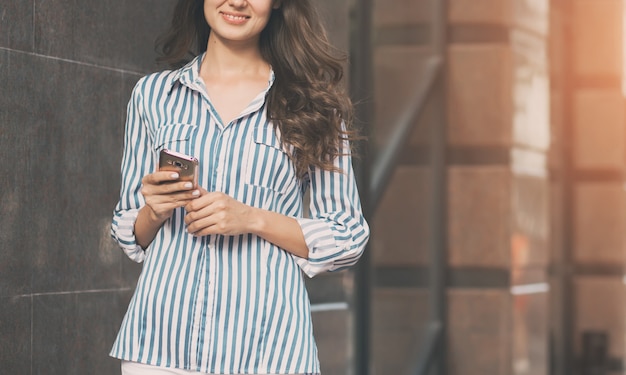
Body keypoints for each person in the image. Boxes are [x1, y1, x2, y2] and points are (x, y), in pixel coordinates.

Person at [109, 0, 369, 374]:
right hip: (160, 346)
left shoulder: (314, 106)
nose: (237, 1)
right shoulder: (153, 96)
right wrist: (155, 210)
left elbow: (348, 236)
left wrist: (251, 219)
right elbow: (128, 229)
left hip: (267, 349)